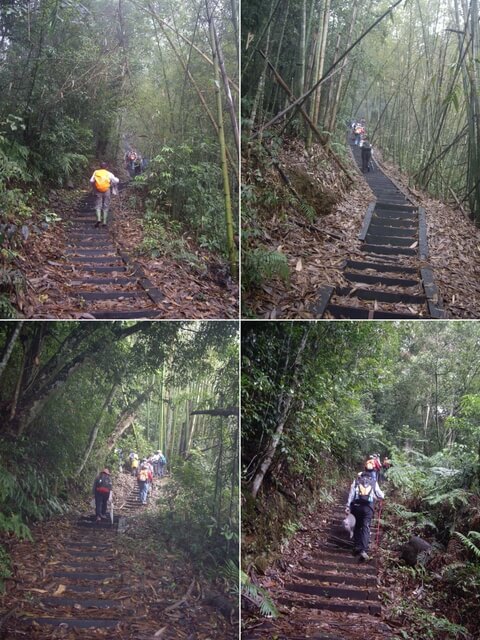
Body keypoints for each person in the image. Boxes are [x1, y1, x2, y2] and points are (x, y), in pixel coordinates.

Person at [345, 460, 384, 562]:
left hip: (356, 507)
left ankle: (357, 546)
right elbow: (381, 495)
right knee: (366, 526)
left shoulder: (356, 481)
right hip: (368, 508)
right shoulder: (373, 482)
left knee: (357, 526)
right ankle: (364, 549)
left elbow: (351, 495)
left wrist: (348, 506)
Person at [89, 162, 119, 228]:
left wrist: (96, 185)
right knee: (106, 205)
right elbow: (116, 181)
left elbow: (91, 180)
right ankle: (104, 222)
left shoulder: (96, 172)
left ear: (100, 166)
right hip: (107, 190)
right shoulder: (109, 173)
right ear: (106, 167)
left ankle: (99, 219)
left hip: (98, 190)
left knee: (98, 205)